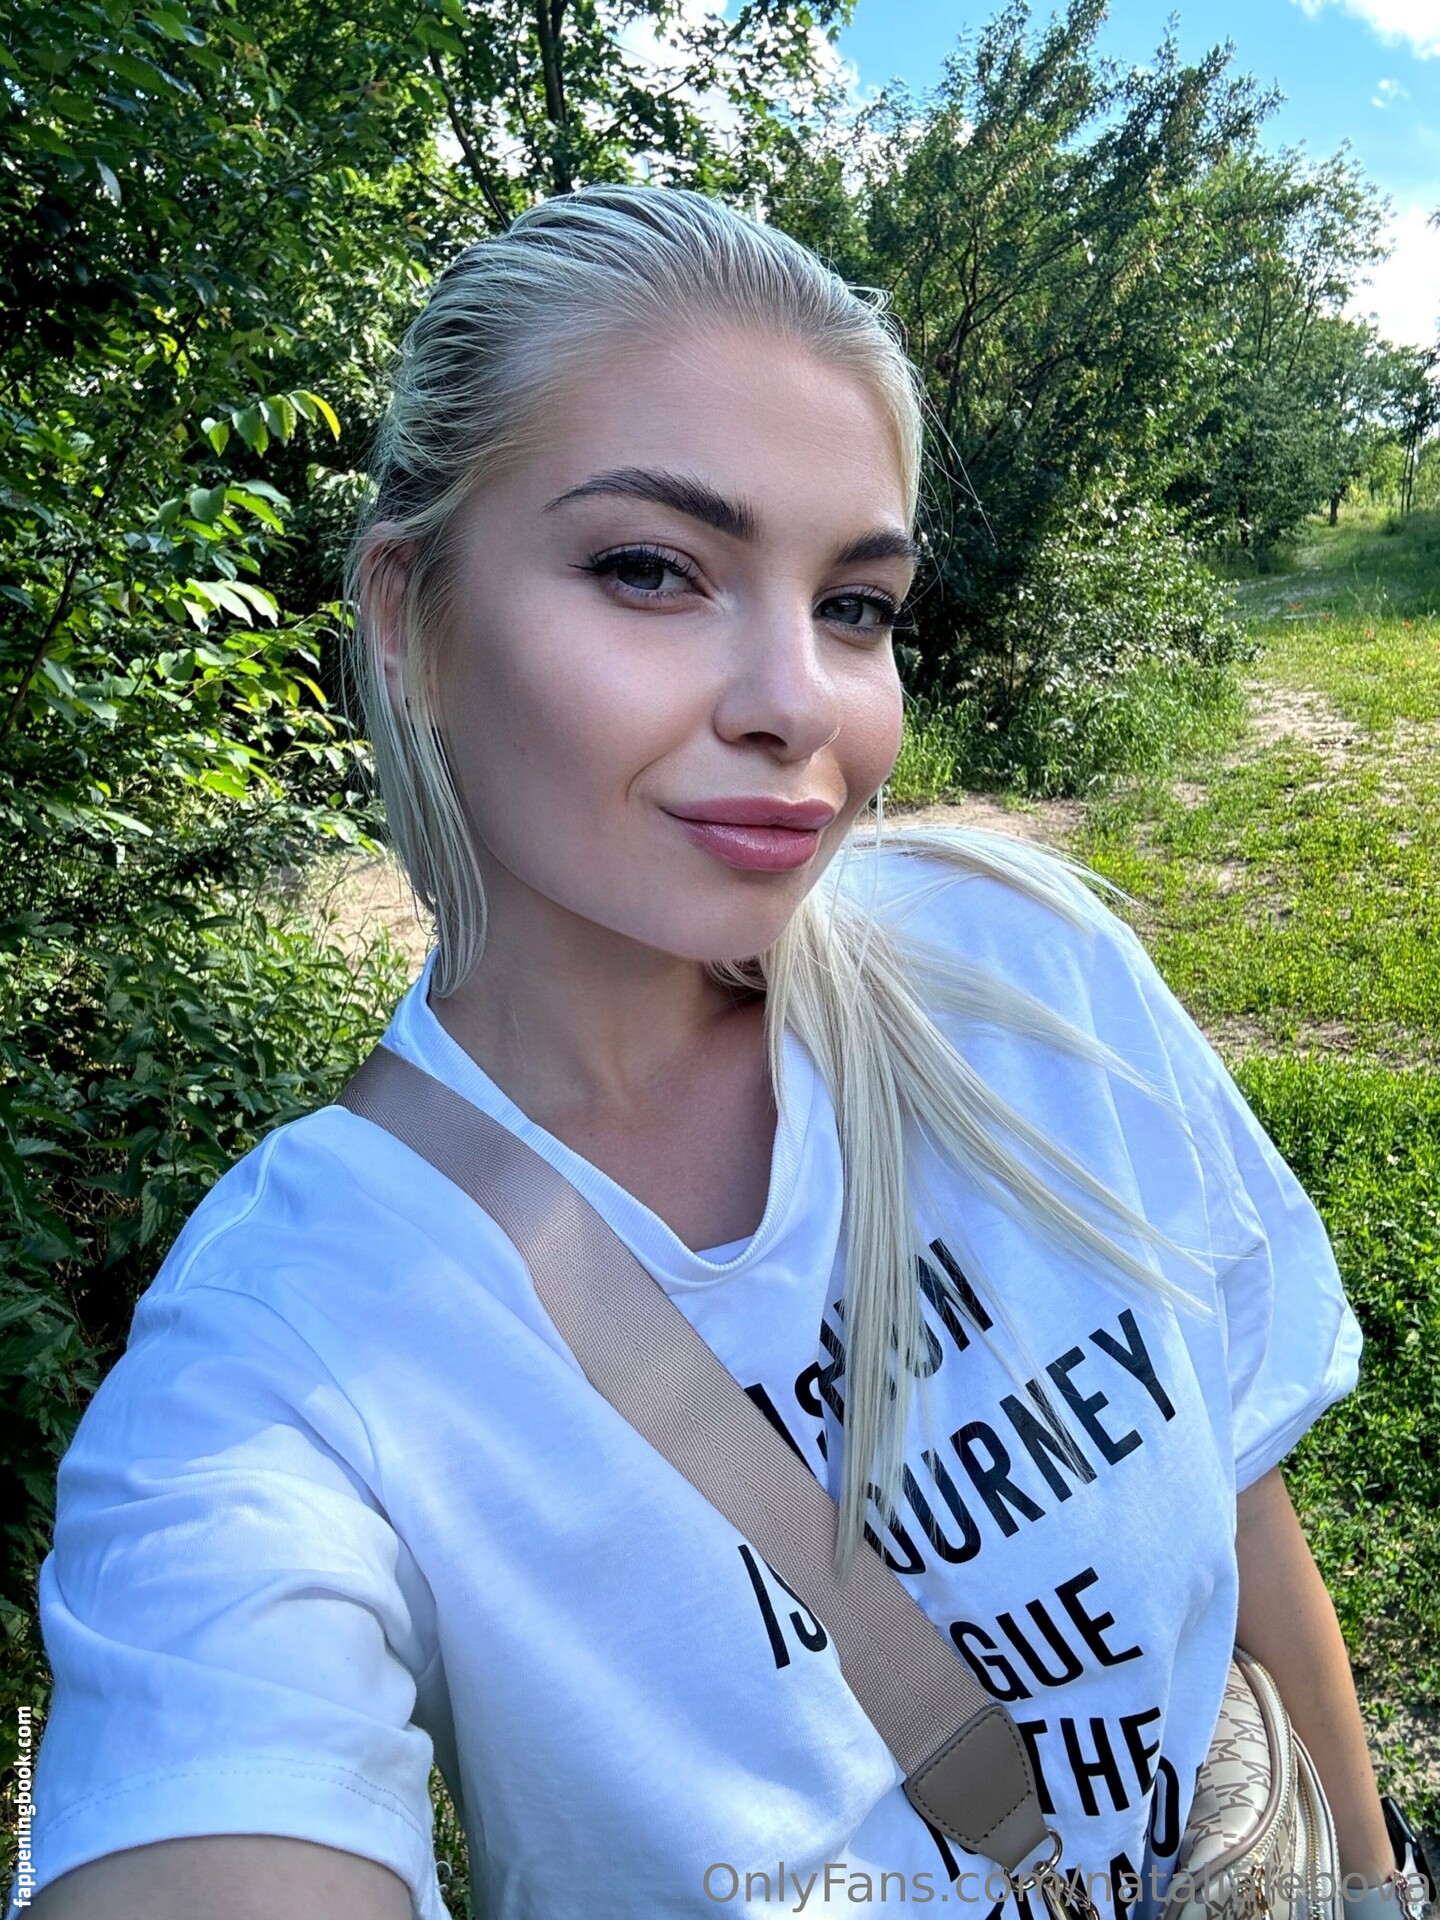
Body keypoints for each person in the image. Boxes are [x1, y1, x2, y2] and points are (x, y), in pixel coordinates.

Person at [6, 185, 1419, 1920]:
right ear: (408, 616)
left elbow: (1241, 1495)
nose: (798, 700)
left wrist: (1373, 1887)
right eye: (650, 570)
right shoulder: (288, 1343)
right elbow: (215, 1777)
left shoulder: (1022, 974)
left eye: (857, 604)